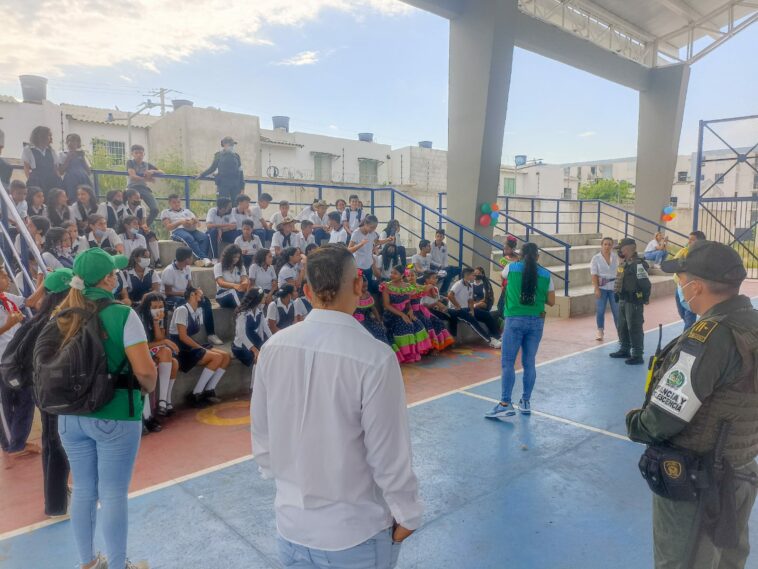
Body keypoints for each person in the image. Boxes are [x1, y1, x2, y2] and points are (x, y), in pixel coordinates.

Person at [252, 245, 423, 569]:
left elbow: (263, 440)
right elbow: (388, 456)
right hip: (354, 534)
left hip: (291, 529)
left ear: (306, 290)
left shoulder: (273, 349)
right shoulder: (374, 357)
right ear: (359, 285)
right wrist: (408, 514)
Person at [626, 241, 757, 569]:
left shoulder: (709, 338)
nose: (680, 289)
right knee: (727, 558)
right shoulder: (751, 324)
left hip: (696, 481)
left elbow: (663, 419)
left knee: (681, 561)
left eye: (680, 281)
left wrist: (635, 422)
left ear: (696, 287)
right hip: (740, 468)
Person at [51, 248, 157, 569]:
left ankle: (87, 562)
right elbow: (146, 373)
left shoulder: (62, 315)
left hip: (69, 416)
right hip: (113, 414)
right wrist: (148, 389)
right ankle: (117, 563)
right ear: (109, 278)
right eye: (114, 272)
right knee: (112, 493)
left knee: (82, 490)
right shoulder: (124, 315)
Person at [3, 269, 72, 515]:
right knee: (58, 444)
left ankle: (56, 496)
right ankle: (56, 503)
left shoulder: (39, 320)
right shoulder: (54, 323)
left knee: (52, 443)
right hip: (54, 392)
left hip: (43, 391)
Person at [485, 243, 555, 419]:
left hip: (514, 319)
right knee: (529, 362)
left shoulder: (511, 268)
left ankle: (505, 403)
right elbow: (552, 301)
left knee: (508, 362)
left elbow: (503, 276)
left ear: (521, 254)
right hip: (537, 321)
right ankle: (525, 401)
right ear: (538, 257)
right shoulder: (546, 274)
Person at [169, 285, 231, 407]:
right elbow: (182, 336)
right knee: (217, 358)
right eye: (199, 293)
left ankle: (209, 390)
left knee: (226, 356)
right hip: (181, 350)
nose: (202, 295)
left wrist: (198, 347)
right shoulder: (182, 310)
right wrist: (199, 348)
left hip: (189, 345)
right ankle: (195, 394)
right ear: (192, 295)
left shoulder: (196, 311)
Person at [0, 264, 35, 462]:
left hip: (16, 359)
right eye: (3, 275)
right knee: (5, 404)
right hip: (1, 361)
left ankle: (18, 441)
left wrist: (42, 282)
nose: (8, 279)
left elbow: (29, 302)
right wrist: (10, 324)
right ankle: (11, 445)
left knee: (26, 397)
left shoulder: (6, 297)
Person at [160, 247, 223, 346]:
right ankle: (187, 337)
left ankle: (211, 334)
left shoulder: (187, 268)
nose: (192, 259)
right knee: (185, 304)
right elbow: (168, 293)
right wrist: (183, 293)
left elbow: (189, 287)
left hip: (183, 295)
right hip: (170, 298)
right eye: (191, 257)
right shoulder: (169, 270)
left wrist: (196, 291)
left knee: (205, 300)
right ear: (186, 259)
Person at [134, 292, 180, 418]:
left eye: (160, 306)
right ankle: (162, 403)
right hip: (138, 353)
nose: (158, 309)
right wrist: (164, 341)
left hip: (152, 350)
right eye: (154, 307)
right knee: (166, 351)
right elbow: (141, 345)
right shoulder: (138, 317)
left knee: (174, 363)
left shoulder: (160, 316)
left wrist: (156, 323)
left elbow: (159, 338)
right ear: (147, 307)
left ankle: (166, 401)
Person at [610, 238, 651, 365]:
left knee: (634, 327)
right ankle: (624, 349)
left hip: (633, 301)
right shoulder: (625, 263)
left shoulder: (638, 264)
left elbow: (646, 284)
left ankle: (637, 354)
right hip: (623, 299)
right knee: (622, 327)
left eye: (621, 248)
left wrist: (644, 298)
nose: (620, 251)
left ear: (627, 249)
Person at [380, 265, 431, 364]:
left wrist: (410, 310)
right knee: (407, 325)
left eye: (395, 273)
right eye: (391, 273)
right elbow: (386, 305)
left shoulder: (407, 286)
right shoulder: (386, 286)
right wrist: (402, 315)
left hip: (404, 312)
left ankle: (414, 352)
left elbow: (407, 301)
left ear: (402, 275)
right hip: (391, 314)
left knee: (418, 324)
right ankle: (405, 354)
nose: (392, 275)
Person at [448, 268, 502, 349]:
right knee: (472, 320)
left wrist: (472, 310)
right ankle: (490, 341)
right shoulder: (458, 284)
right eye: (473, 275)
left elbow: (470, 300)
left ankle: (496, 336)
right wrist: (457, 306)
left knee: (486, 315)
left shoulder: (470, 285)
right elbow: (450, 295)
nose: (475, 276)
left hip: (466, 308)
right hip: (455, 310)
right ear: (467, 275)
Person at [160, 194, 212, 267]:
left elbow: (198, 224)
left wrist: (193, 221)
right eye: (174, 202)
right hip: (177, 231)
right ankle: (204, 258)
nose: (177, 204)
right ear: (169, 203)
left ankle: (200, 260)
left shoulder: (187, 211)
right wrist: (180, 222)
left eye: (178, 202)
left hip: (190, 229)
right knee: (189, 238)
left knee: (205, 237)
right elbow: (168, 227)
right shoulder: (166, 212)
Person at [408, 271, 453, 352]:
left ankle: (441, 344)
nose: (410, 277)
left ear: (416, 276)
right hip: (413, 311)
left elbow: (432, 299)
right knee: (427, 322)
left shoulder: (421, 287)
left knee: (437, 321)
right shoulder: (406, 288)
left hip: (422, 309)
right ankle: (430, 347)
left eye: (412, 275)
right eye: (408, 276)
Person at [231, 288, 266, 391]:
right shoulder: (242, 313)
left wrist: (267, 344)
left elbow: (264, 330)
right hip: (241, 346)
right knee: (258, 358)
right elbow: (241, 335)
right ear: (257, 299)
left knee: (267, 354)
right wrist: (255, 350)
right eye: (263, 296)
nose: (265, 297)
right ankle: (253, 388)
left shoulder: (259, 311)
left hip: (253, 341)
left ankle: (262, 385)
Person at [672, 230, 706, 331]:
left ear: (699, 242)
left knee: (689, 317)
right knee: (682, 313)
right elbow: (674, 263)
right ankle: (691, 331)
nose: (689, 242)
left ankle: (687, 341)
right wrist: (681, 254)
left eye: (692, 240)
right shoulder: (685, 251)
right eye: (689, 240)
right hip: (679, 287)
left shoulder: (702, 254)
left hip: (691, 289)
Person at [350, 215, 390, 294]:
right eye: (371, 227)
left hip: (368, 266)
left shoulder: (372, 233)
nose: (373, 229)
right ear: (365, 224)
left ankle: (368, 305)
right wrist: (360, 244)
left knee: (368, 290)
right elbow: (349, 249)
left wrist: (387, 240)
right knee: (359, 291)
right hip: (358, 267)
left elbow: (377, 242)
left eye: (375, 227)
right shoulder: (356, 233)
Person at [198, 136, 244, 202]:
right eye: (230, 144)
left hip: (235, 186)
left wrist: (242, 188)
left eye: (233, 145)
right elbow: (212, 168)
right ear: (225, 145)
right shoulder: (219, 155)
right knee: (223, 205)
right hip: (223, 185)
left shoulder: (236, 156)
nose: (232, 146)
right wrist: (201, 175)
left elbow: (241, 172)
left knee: (235, 206)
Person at [591, 236, 620, 341]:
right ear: (602, 245)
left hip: (614, 288)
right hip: (601, 287)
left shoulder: (615, 257)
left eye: (609, 244)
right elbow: (594, 274)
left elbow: (620, 270)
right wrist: (596, 288)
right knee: (600, 310)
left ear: (612, 246)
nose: (607, 246)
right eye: (605, 244)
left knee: (617, 311)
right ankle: (600, 330)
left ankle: (620, 332)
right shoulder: (596, 258)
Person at [126, 144, 163, 227]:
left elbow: (162, 171)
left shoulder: (146, 164)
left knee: (155, 209)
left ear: (144, 154)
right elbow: (133, 176)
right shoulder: (130, 162)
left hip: (144, 188)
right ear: (132, 154)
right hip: (132, 188)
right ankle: (128, 228)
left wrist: (152, 171)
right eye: (136, 153)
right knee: (131, 210)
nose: (139, 155)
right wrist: (147, 179)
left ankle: (144, 227)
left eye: (141, 153)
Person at [22, 126, 63, 197]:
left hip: (51, 179)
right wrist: (31, 181)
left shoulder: (51, 151)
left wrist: (60, 182)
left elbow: (55, 169)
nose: (51, 138)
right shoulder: (28, 150)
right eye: (49, 135)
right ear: (42, 136)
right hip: (37, 180)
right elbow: (26, 168)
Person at [123, 189, 160, 265]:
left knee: (151, 235)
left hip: (139, 228)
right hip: (128, 229)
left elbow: (144, 223)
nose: (138, 200)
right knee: (139, 234)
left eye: (139, 198)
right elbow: (125, 223)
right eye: (136, 198)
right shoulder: (123, 208)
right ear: (129, 198)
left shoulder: (142, 208)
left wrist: (146, 228)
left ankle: (157, 260)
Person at [354, 276, 391, 346]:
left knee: (379, 330)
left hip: (367, 319)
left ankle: (384, 348)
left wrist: (378, 319)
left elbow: (373, 308)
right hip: (357, 321)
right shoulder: (353, 296)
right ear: (357, 286)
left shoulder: (367, 294)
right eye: (363, 287)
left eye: (366, 286)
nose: (365, 289)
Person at [59, 134, 92, 203]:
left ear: (78, 143)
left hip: (83, 178)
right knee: (72, 198)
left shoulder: (81, 154)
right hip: (71, 179)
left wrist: (82, 158)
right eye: (68, 141)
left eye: (73, 141)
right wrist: (68, 158)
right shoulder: (63, 154)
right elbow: (61, 171)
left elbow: (89, 172)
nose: (70, 143)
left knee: (86, 197)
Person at [206, 196, 239, 260]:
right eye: (229, 206)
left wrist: (221, 229)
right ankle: (214, 257)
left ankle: (238, 256)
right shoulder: (212, 211)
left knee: (237, 234)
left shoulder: (230, 212)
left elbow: (234, 225)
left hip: (225, 232)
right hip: (213, 232)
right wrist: (223, 227)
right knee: (213, 231)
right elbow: (209, 226)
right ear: (222, 208)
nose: (230, 207)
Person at [495, 235, 520, 316]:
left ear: (513, 249)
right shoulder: (503, 259)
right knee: (501, 304)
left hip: (515, 283)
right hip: (506, 283)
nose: (505, 250)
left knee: (511, 302)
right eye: (504, 248)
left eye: (507, 249)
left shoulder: (518, 259)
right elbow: (503, 273)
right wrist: (502, 284)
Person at [430, 229, 460, 294]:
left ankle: (444, 291)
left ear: (443, 237)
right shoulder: (431, 245)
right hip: (434, 267)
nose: (439, 238)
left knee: (459, 269)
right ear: (435, 236)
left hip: (442, 267)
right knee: (449, 274)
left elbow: (445, 258)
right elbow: (429, 260)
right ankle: (443, 291)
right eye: (437, 236)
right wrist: (439, 265)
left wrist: (445, 267)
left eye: (441, 236)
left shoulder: (444, 245)